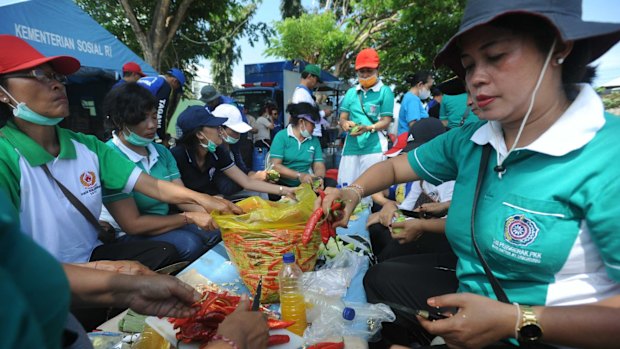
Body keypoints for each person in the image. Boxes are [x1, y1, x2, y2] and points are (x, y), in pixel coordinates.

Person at [320, 1, 620, 347]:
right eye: (469, 65)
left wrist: (517, 321)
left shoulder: (606, 156)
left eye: (496, 56)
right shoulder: (472, 140)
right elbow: (394, 166)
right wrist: (353, 192)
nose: (475, 78)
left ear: (559, 48)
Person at [0, 35, 240, 268]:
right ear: (3, 93)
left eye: (57, 76)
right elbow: (13, 268)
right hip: (44, 279)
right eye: (38, 75)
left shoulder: (87, 146)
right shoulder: (6, 157)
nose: (56, 84)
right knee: (182, 246)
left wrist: (206, 201)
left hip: (93, 255)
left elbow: (153, 186)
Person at [99, 83, 221, 262]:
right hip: (127, 233)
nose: (152, 125)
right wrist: (189, 218)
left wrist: (216, 211)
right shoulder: (110, 157)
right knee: (190, 244)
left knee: (215, 230)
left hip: (164, 222)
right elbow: (133, 224)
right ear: (119, 121)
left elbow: (183, 199)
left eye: (154, 117)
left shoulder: (161, 152)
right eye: (142, 119)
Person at [367, 118, 454, 262]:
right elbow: (406, 209)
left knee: (390, 253)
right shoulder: (421, 177)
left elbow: (450, 223)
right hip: (422, 230)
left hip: (443, 240)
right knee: (377, 230)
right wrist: (390, 209)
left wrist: (401, 220)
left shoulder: (450, 179)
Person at [171, 105, 296, 199]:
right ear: (199, 134)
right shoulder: (177, 156)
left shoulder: (217, 152)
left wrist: (284, 190)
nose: (219, 130)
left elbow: (246, 181)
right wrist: (211, 202)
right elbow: (181, 198)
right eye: (215, 126)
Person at [338, 48, 394, 196]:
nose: (365, 75)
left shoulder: (385, 91)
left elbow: (386, 121)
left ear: (378, 70)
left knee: (371, 191)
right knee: (347, 188)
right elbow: (342, 117)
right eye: (361, 71)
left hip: (374, 146)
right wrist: (344, 123)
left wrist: (369, 127)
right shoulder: (351, 92)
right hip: (351, 146)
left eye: (369, 71)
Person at [210, 103, 274, 199]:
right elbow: (225, 188)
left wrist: (255, 175)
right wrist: (250, 179)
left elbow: (243, 169)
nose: (238, 135)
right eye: (235, 131)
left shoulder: (234, 147)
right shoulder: (215, 152)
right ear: (220, 129)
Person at [269, 102, 329, 190]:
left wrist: (318, 178)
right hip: (283, 185)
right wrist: (299, 175)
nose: (314, 128)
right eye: (313, 124)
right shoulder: (281, 137)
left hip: (306, 184)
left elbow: (318, 164)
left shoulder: (314, 140)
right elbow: (276, 166)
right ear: (301, 122)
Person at [137, 67, 186, 144]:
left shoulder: (152, 78)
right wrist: (161, 136)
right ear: (175, 81)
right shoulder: (165, 86)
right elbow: (159, 112)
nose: (174, 90)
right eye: (177, 87)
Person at [291, 64, 333, 139]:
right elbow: (304, 116)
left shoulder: (305, 93)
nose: (316, 83)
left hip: (310, 134)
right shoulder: (301, 93)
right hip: (308, 135)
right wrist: (324, 113)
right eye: (316, 80)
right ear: (310, 76)